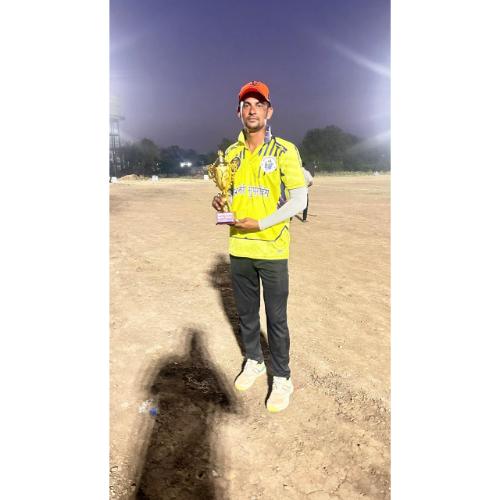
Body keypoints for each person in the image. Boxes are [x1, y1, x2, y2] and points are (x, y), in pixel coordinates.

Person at [211, 80, 307, 413]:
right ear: (239, 113)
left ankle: (282, 377)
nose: (252, 110)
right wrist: (220, 204)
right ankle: (254, 360)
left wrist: (262, 223)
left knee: (276, 319)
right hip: (239, 248)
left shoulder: (284, 150)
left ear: (269, 111)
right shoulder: (231, 154)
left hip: (272, 249)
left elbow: (299, 200)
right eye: (246, 105)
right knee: (247, 315)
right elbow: (231, 194)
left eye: (258, 105)